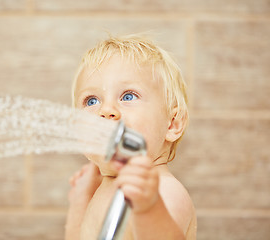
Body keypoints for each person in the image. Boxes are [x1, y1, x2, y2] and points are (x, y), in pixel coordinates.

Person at [65, 34, 197, 240]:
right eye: (91, 101)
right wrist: (79, 204)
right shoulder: (102, 190)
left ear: (172, 123)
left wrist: (148, 209)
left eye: (128, 96)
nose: (106, 110)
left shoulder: (164, 191)